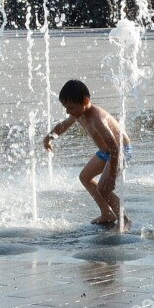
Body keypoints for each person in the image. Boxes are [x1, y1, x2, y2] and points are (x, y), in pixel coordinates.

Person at [43, 80, 132, 227]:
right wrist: (49, 138)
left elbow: (115, 147)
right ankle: (107, 213)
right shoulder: (78, 114)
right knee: (85, 177)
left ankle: (124, 220)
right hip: (106, 152)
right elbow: (63, 125)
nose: (68, 112)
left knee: (104, 188)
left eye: (70, 107)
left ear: (85, 101)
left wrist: (110, 177)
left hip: (120, 151)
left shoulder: (98, 119)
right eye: (66, 108)